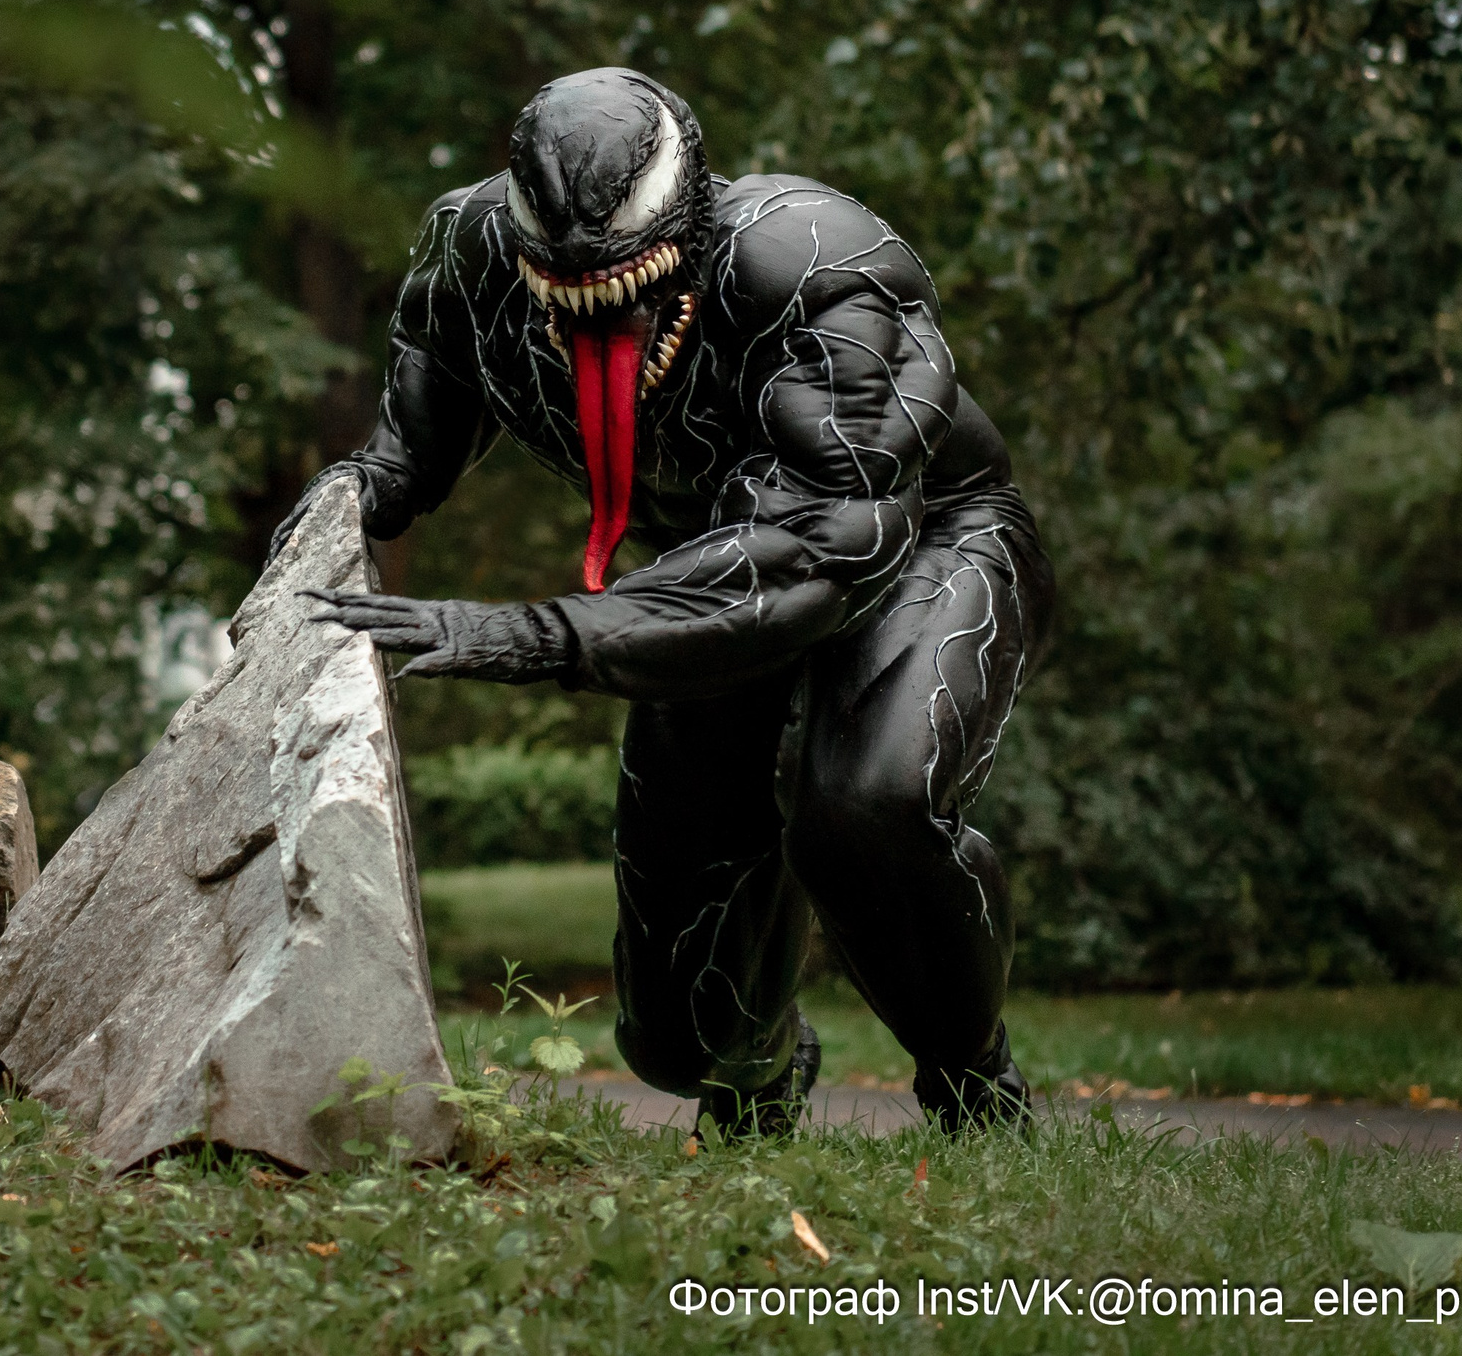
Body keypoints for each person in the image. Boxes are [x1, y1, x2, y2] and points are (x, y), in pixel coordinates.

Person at [292, 67, 1052, 1132]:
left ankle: (972, 1077)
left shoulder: (812, 263)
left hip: (915, 534)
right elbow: (418, 427)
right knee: (676, 1031)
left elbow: (820, 550)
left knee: (866, 803)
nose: (593, 301)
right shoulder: (471, 254)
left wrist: (530, 635)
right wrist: (351, 497)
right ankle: (756, 1074)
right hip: (706, 561)